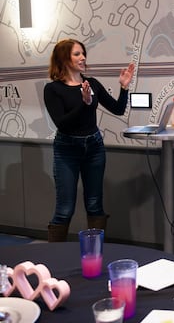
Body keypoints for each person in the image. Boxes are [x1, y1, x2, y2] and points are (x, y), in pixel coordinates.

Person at [43, 39, 135, 242]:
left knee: (94, 204)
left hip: (93, 147)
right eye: (77, 54)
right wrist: (84, 104)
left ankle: (95, 255)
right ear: (63, 58)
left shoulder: (91, 83)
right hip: (67, 150)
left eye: (83, 53)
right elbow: (62, 123)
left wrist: (124, 88)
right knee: (65, 208)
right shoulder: (53, 89)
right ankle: (54, 259)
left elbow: (118, 109)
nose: (83, 57)